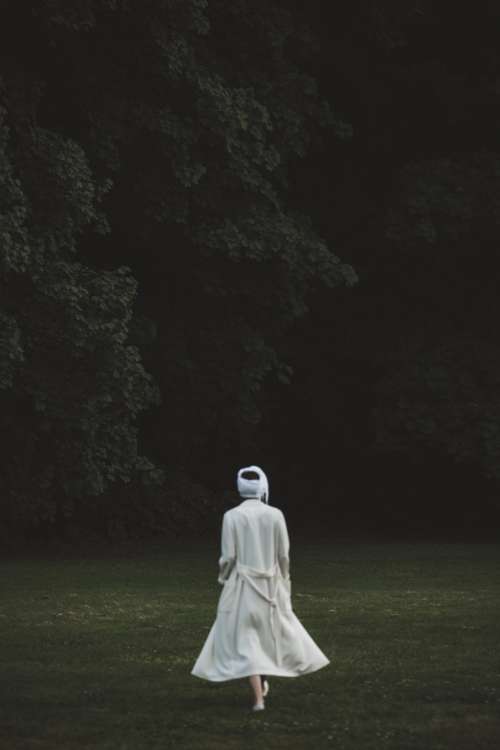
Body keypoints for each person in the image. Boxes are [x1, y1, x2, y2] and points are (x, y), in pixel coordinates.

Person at [191, 465, 330, 711]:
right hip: (270, 586)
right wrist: (284, 580)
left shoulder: (232, 516)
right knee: (264, 636)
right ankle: (260, 693)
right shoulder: (275, 514)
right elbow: (283, 555)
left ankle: (259, 697)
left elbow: (228, 556)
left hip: (243, 586)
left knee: (248, 640)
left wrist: (223, 577)